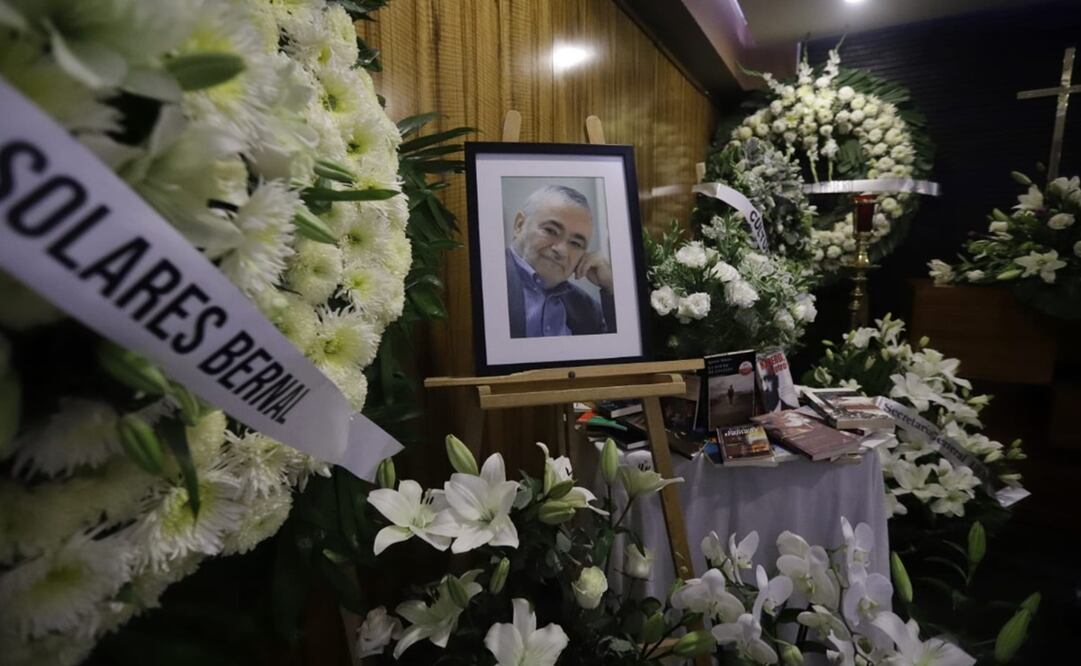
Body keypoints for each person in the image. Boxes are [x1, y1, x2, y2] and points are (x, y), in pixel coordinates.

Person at [505, 185, 616, 337]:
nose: (561, 250)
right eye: (551, 231)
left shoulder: (587, 309)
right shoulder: (486, 281)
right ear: (519, 225)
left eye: (576, 243)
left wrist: (610, 286)